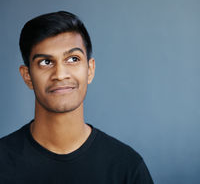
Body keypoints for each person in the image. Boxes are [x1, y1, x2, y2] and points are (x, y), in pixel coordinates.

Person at [0, 11, 154, 183]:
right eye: (45, 62)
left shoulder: (127, 167)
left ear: (90, 70)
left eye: (73, 59)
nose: (60, 74)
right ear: (27, 76)